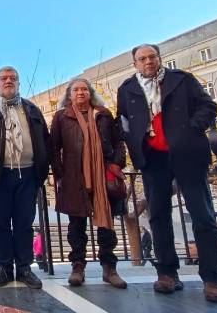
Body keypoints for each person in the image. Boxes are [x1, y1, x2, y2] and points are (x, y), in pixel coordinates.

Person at [116, 43, 217, 303]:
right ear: (135, 63)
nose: (147, 62)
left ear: (159, 58)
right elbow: (122, 119)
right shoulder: (127, 89)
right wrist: (131, 140)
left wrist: (191, 128)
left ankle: (212, 278)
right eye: (141, 59)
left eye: (151, 57)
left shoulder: (182, 80)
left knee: (203, 215)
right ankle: (166, 272)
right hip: (152, 158)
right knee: (158, 216)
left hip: (187, 153)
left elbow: (208, 106)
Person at [0, 66, 52, 290]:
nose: (8, 81)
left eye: (13, 78)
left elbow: (46, 140)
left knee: (24, 223)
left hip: (28, 174)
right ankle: (4, 267)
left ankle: (24, 268)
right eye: (3, 78)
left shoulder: (31, 108)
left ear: (18, 83)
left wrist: (41, 171)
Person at [51, 78, 128, 289]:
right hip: (74, 177)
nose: (80, 92)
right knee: (76, 225)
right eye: (76, 89)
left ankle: (109, 268)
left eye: (84, 89)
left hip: (103, 176)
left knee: (106, 224)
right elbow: (54, 148)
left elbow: (118, 141)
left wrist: (117, 163)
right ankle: (78, 267)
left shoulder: (103, 114)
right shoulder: (61, 117)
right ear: (69, 94)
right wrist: (60, 174)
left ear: (90, 93)